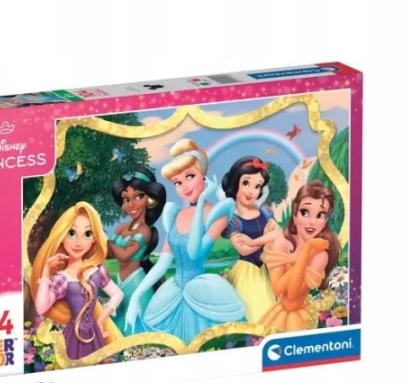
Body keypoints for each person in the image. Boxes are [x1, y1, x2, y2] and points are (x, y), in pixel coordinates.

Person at [125, 139, 246, 344]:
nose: (184, 187)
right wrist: (136, 296)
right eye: (177, 182)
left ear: (204, 176)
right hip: (173, 292)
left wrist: (201, 203)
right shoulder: (177, 214)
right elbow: (163, 264)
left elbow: (194, 252)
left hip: (201, 293)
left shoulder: (217, 214)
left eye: (190, 176)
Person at [31, 202, 124, 359]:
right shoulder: (61, 279)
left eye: (87, 234)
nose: (78, 242)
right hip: (73, 336)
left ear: (94, 238)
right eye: (71, 233)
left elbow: (118, 294)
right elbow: (41, 307)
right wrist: (46, 269)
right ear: (62, 236)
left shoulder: (97, 270)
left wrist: (101, 319)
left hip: (94, 333)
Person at [258, 180, 341, 332]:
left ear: (325, 221)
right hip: (278, 314)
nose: (312, 222)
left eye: (320, 215)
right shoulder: (281, 243)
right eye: (305, 212)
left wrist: (307, 250)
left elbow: (293, 294)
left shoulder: (320, 255)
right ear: (295, 216)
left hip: (300, 319)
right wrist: (307, 250)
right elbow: (277, 289)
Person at [220, 156, 280, 323]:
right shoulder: (232, 218)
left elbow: (278, 233)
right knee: (253, 316)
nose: (251, 191)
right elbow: (243, 250)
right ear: (235, 183)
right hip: (247, 273)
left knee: (272, 317)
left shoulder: (265, 211)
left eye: (257, 186)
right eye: (246, 183)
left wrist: (253, 241)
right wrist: (266, 237)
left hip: (267, 271)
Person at [108, 168, 166, 335]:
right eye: (126, 199)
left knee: (136, 329)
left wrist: (109, 243)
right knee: (119, 328)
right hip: (120, 282)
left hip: (136, 282)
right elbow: (109, 254)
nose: (131, 204)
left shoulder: (145, 231)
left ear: (150, 200)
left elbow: (124, 256)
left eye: (138, 196)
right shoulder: (122, 228)